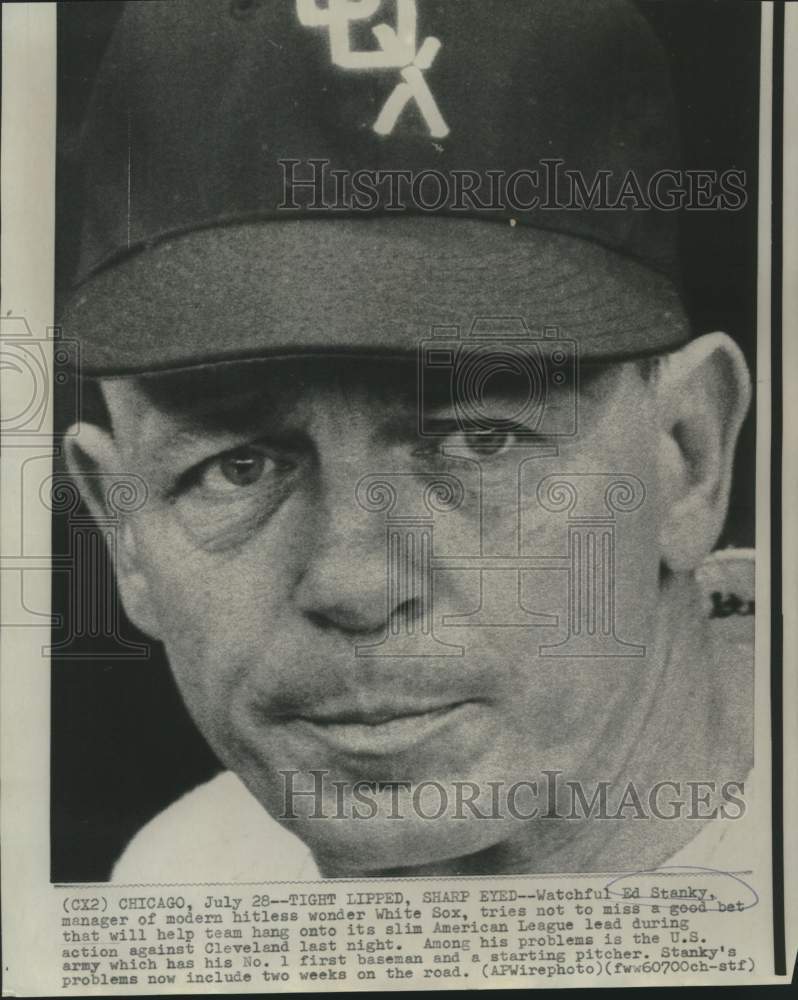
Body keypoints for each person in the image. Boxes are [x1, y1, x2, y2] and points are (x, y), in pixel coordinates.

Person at [60, 0, 754, 880]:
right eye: (238, 468)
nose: (353, 585)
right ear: (123, 533)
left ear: (688, 457)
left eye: (479, 443)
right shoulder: (183, 874)